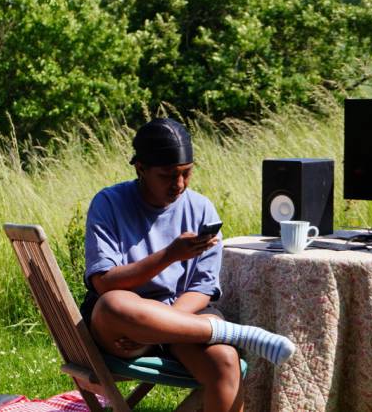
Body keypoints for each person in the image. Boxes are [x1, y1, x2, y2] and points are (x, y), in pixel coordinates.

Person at [80, 118, 295, 412]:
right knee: (112, 303)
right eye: (167, 175)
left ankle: (221, 334)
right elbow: (103, 282)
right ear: (140, 169)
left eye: (186, 173)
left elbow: (203, 287)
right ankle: (237, 334)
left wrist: (162, 326)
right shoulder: (109, 203)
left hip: (184, 317)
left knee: (225, 361)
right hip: (124, 328)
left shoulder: (201, 208)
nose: (179, 184)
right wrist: (169, 255)